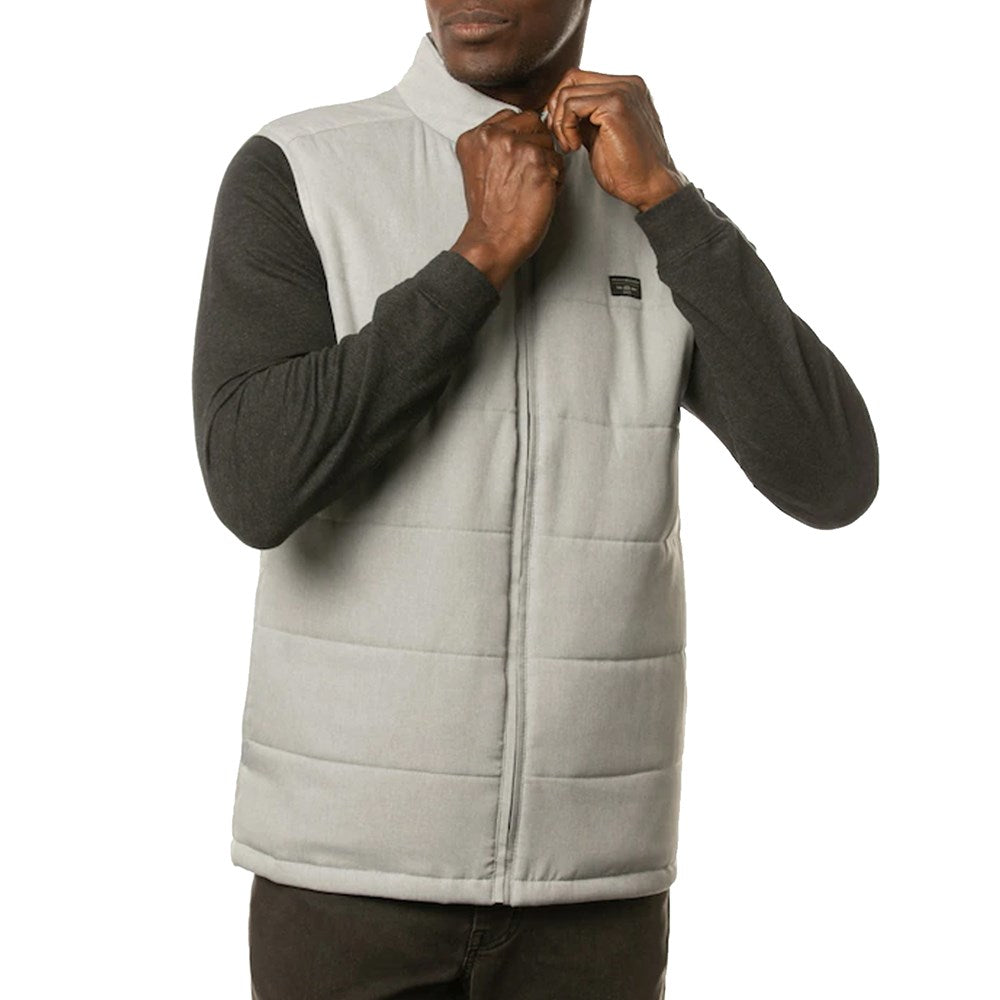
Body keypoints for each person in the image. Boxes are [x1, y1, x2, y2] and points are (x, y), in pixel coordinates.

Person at [191, 2, 879, 997]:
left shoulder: (647, 206)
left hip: (592, 898)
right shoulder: (303, 168)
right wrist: (476, 257)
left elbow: (831, 476)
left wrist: (671, 206)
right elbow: (254, 483)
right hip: (346, 883)